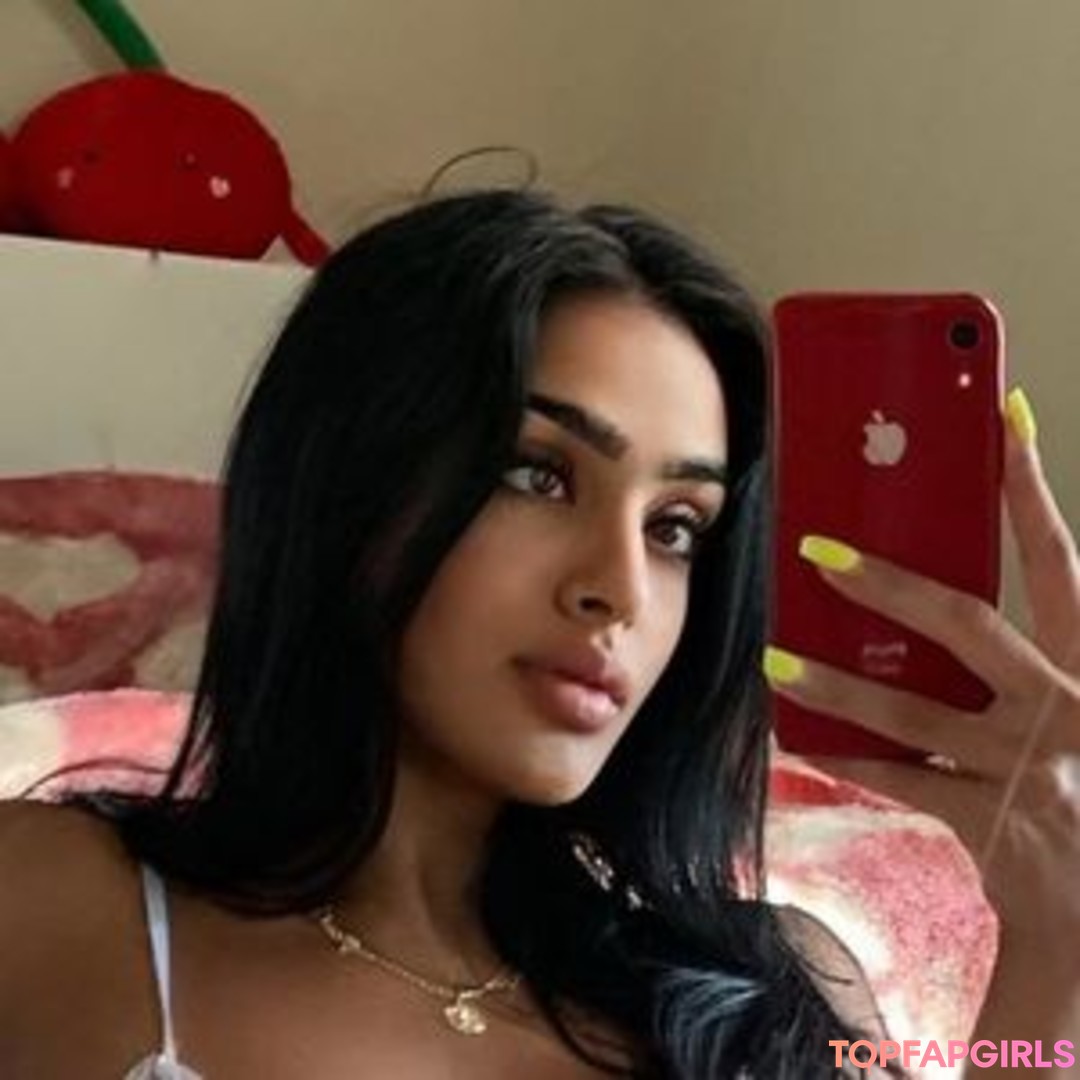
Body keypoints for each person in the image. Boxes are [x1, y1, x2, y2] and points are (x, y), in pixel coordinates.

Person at [0, 189, 1075, 1078]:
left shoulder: (762, 1000)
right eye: (539, 475)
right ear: (347, 483)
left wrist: (1057, 946)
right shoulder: (59, 904)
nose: (620, 589)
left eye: (675, 527)